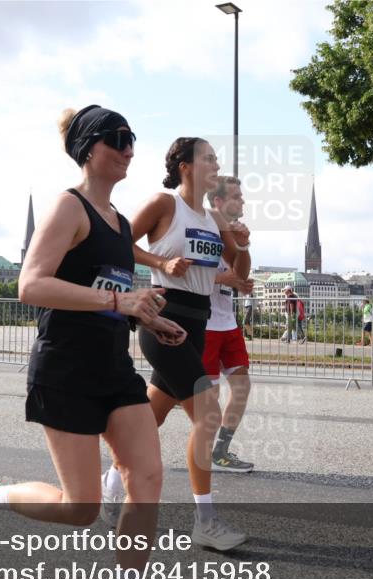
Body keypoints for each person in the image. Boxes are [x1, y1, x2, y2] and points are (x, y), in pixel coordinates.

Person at [0, 105, 187, 579]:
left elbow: (107, 297)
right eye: (118, 138)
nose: (128, 148)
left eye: (132, 138)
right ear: (88, 148)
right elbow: (30, 285)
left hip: (114, 368)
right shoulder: (68, 207)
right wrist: (121, 300)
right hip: (66, 369)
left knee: (147, 477)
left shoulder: (121, 224)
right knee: (80, 508)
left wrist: (146, 316)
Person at [102, 137, 250, 552]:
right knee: (208, 414)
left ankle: (111, 480)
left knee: (152, 415)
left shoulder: (213, 217)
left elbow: (239, 272)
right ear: (185, 166)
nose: (216, 165)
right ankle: (205, 520)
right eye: (208, 158)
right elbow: (118, 244)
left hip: (198, 323)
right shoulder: (164, 204)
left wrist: (241, 242)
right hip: (163, 317)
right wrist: (161, 262)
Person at [204, 176, 254, 473]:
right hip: (204, 325)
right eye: (236, 196)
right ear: (218, 201)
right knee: (205, 400)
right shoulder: (203, 225)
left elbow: (240, 275)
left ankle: (220, 451)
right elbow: (185, 271)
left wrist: (244, 246)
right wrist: (224, 278)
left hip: (226, 322)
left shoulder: (233, 232)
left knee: (242, 386)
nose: (242, 201)